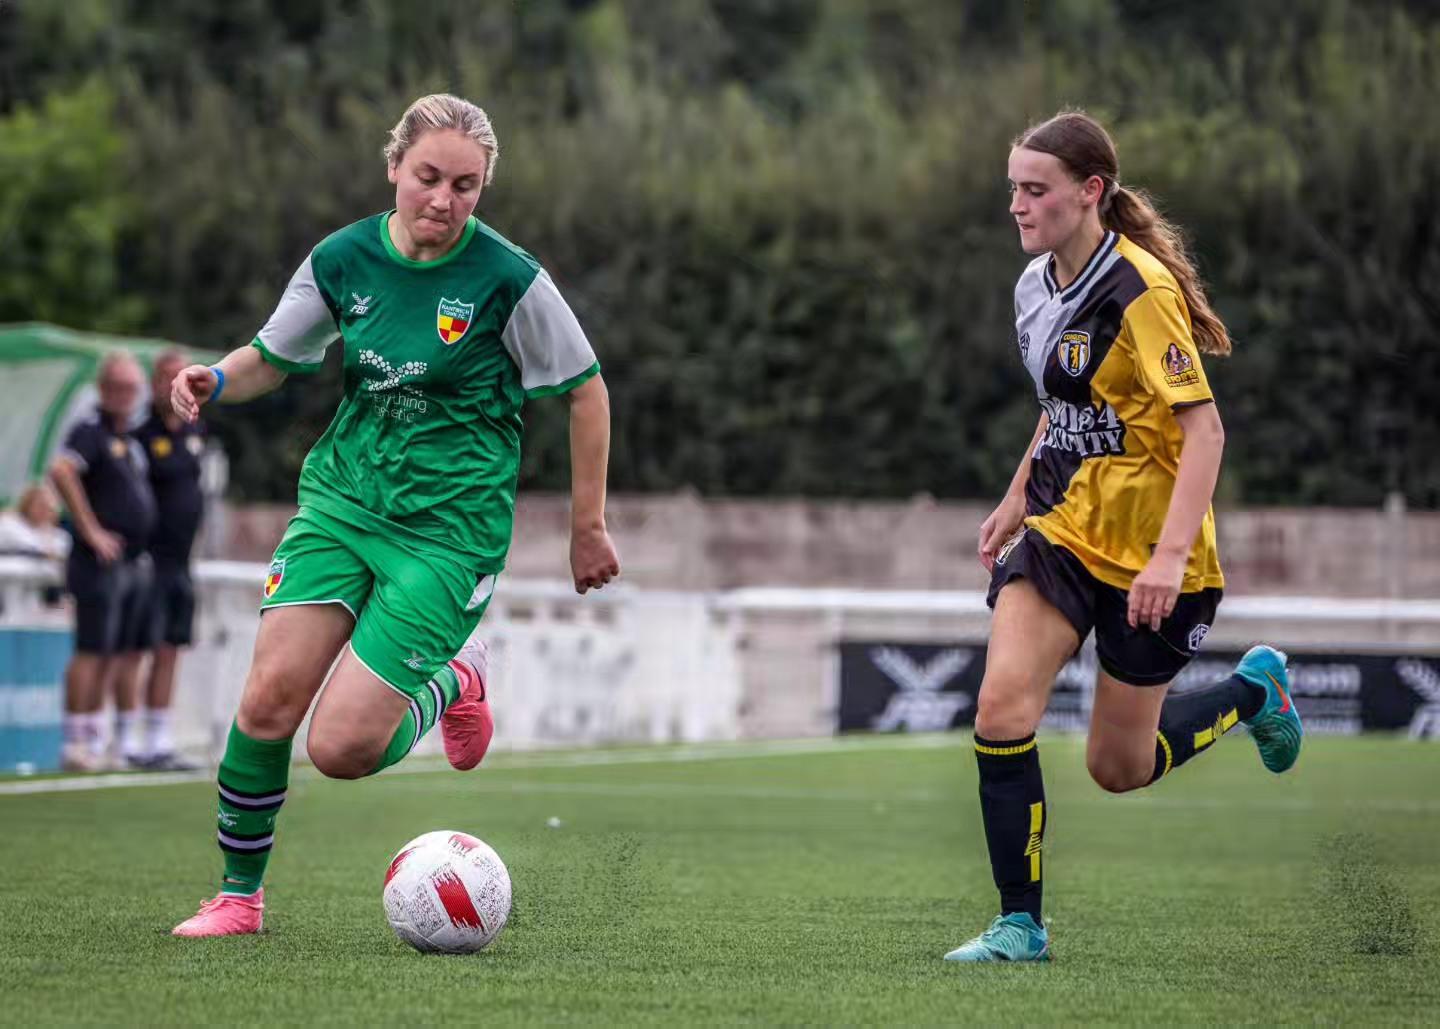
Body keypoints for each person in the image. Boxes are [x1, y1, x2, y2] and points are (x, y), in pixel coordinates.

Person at [169, 94, 620, 938]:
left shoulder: (508, 278)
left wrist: (586, 524)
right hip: (342, 504)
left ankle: (456, 674)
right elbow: (275, 355)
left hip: (447, 536)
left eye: (466, 185)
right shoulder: (342, 260)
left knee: (339, 751)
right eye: (428, 178)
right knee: (267, 701)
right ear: (393, 168)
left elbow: (586, 390)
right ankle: (238, 896)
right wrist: (217, 380)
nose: (443, 201)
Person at [944, 111, 1303, 963]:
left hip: (1154, 553)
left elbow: (1204, 431)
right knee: (1000, 708)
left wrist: (1170, 558)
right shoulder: (1034, 285)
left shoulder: (1140, 289)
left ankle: (1256, 695)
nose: (1018, 207)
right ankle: (1021, 924)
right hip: (1064, 529)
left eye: (1035, 190)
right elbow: (1061, 411)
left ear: (1089, 192)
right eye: (1013, 190)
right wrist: (1012, 501)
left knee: (1119, 766)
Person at [49, 352, 158, 772]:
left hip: (131, 561)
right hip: (97, 561)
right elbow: (61, 471)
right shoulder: (90, 431)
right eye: (119, 387)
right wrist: (91, 529)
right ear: (104, 389)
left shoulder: (128, 439)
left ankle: (99, 738)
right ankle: (75, 740)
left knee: (116, 650)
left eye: (133, 388)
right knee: (91, 649)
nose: (126, 396)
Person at [131, 350, 206, 770]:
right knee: (137, 647)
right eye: (163, 376)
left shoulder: (195, 431)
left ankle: (159, 738)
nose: (170, 384)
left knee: (170, 646)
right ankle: (125, 738)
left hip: (182, 561)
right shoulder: (141, 434)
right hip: (149, 561)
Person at [0, 482, 71, 559]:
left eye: (47, 507)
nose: (43, 510)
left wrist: (47, 532)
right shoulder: (9, 523)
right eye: (39, 505)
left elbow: (54, 557)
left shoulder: (60, 537)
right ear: (28, 504)